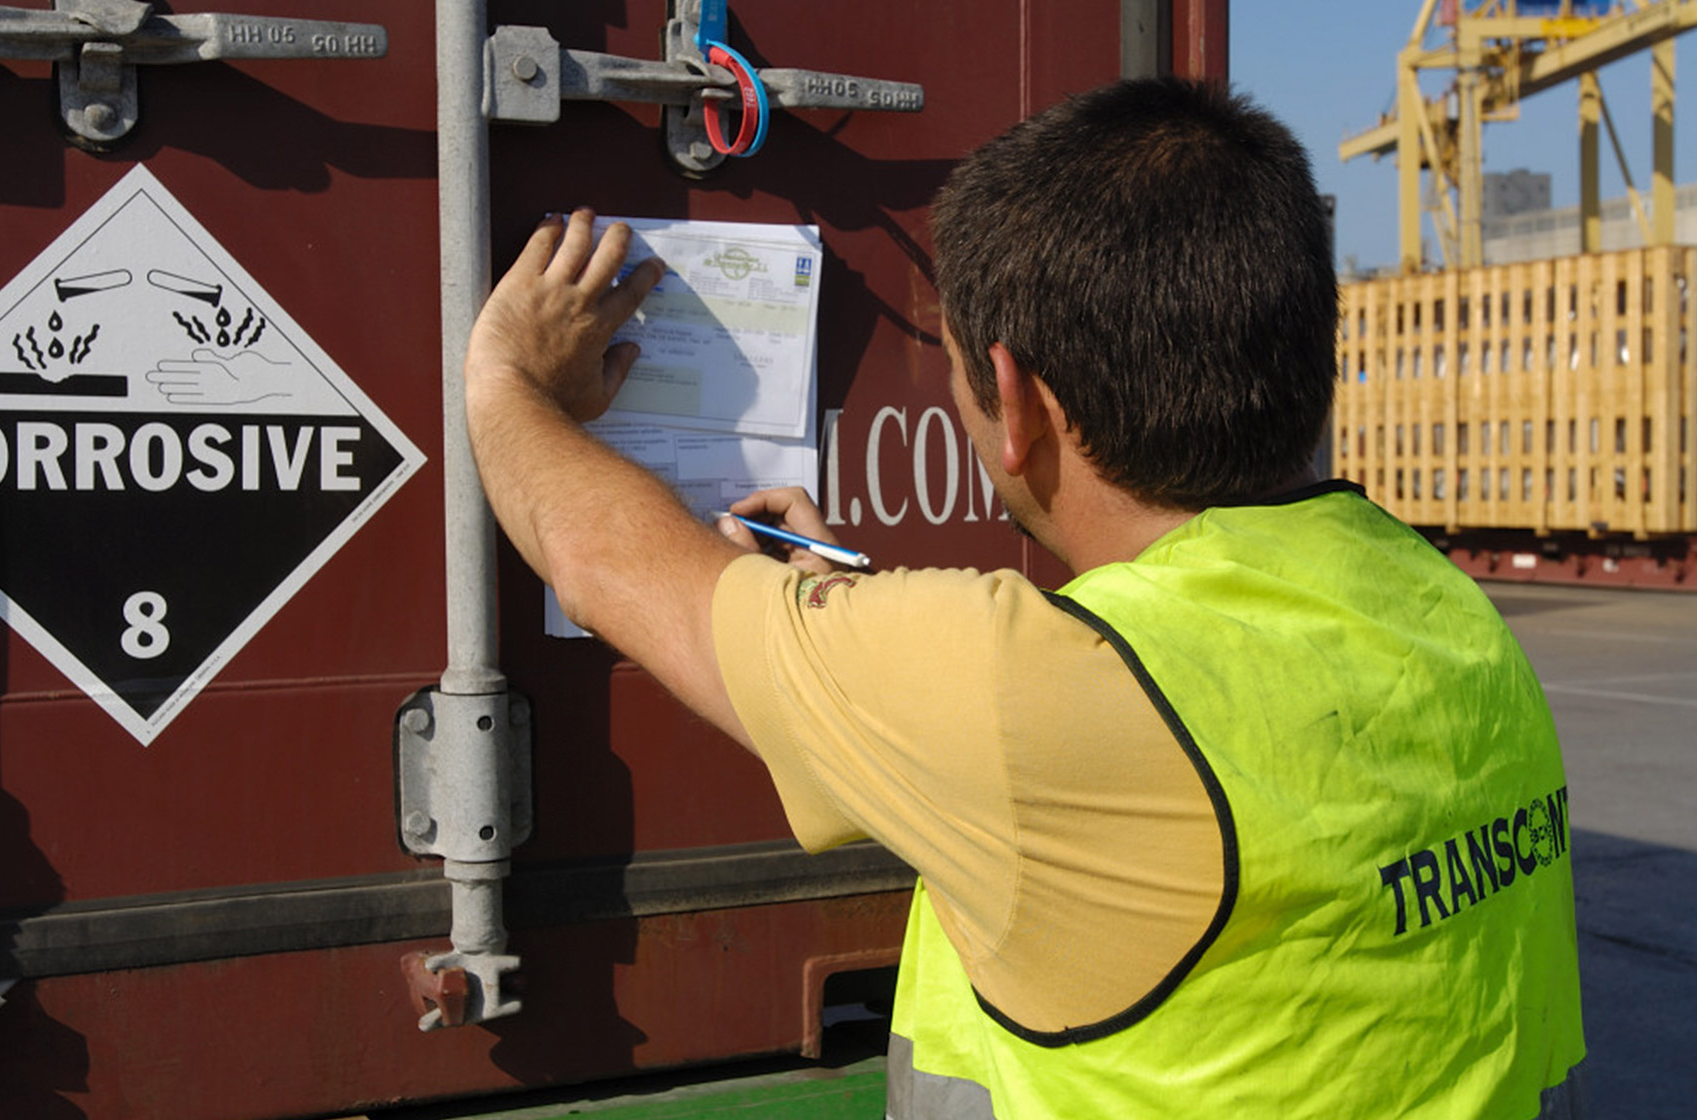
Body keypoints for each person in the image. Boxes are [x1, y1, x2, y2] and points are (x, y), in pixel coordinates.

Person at [463, 78, 1586, 1119]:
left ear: (1013, 402)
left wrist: (507, 381)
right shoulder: (1445, 613)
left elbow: (603, 560)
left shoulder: (1028, 690)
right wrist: (868, 629)